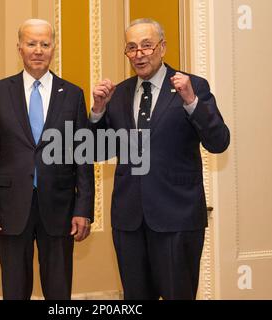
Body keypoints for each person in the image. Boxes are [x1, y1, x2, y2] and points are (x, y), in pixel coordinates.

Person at [90, 18, 230, 300]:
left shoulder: (192, 86)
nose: (139, 54)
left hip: (177, 218)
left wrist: (192, 102)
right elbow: (95, 152)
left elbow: (218, 142)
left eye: (147, 45)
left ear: (162, 48)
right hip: (129, 220)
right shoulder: (119, 94)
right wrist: (97, 111)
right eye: (131, 48)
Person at [0, 19, 94, 300]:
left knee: (59, 291)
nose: (38, 50)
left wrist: (84, 208)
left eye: (45, 44)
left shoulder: (73, 94)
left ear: (53, 48)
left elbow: (83, 157)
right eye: (31, 43)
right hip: (10, 209)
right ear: (19, 48)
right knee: (15, 290)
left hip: (60, 209)